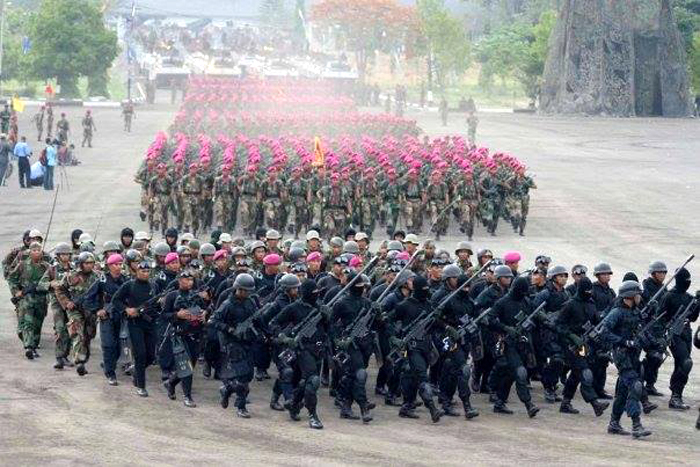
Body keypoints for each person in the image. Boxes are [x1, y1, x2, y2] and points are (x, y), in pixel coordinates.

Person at [602, 280, 652, 438]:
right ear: (630, 296)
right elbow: (604, 332)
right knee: (635, 386)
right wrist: (623, 341)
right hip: (622, 355)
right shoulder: (616, 313)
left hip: (634, 356)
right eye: (638, 294)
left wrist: (652, 342)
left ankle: (614, 423)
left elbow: (641, 331)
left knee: (623, 392)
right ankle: (636, 425)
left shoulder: (636, 312)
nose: (640, 297)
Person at [210, 273, 259, 418]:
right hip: (233, 343)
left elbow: (256, 318)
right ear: (237, 288)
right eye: (244, 290)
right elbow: (213, 321)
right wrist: (229, 329)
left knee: (249, 375)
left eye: (248, 291)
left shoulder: (250, 302)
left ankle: (227, 389)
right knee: (243, 378)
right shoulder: (228, 304)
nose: (246, 293)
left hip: (247, 341)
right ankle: (241, 406)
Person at [111, 261, 160, 397]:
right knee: (140, 355)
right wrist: (127, 309)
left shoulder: (154, 286)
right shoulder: (129, 285)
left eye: (147, 271)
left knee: (151, 356)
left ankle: (136, 370)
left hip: (150, 323)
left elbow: (158, 304)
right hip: (135, 323)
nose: (145, 274)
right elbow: (116, 300)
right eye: (142, 271)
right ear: (137, 272)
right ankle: (141, 386)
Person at [161, 269, 208, 407]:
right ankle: (187, 396)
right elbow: (164, 315)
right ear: (179, 281)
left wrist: (205, 314)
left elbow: (206, 309)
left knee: (191, 365)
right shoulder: (172, 296)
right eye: (186, 279)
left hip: (195, 334)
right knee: (186, 366)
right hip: (180, 335)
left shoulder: (196, 296)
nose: (189, 282)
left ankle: (171, 382)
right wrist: (177, 315)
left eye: (191, 280)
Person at [83, 253, 128, 385]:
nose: (118, 267)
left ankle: (109, 363)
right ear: (109, 266)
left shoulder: (125, 281)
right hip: (107, 317)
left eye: (120, 264)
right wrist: (97, 310)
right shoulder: (102, 281)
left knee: (120, 346)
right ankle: (110, 373)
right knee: (108, 345)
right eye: (115, 264)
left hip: (122, 317)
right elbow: (87, 299)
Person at [55, 252, 100, 375]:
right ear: (81, 264)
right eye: (86, 263)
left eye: (91, 263)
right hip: (75, 311)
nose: (89, 265)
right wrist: (67, 302)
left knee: (88, 336)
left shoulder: (98, 277)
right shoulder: (71, 276)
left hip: (91, 311)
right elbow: (59, 289)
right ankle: (79, 361)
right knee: (77, 334)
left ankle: (83, 359)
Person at [7, 242, 50, 359]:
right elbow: (12, 278)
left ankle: (34, 346)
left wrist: (45, 287)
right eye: (34, 250)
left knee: (37, 324)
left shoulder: (47, 267)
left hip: (41, 299)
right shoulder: (22, 265)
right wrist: (16, 291)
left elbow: (52, 281)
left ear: (42, 252)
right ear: (29, 252)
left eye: (38, 250)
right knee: (28, 323)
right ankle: (29, 347)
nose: (36, 252)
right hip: (26, 299)